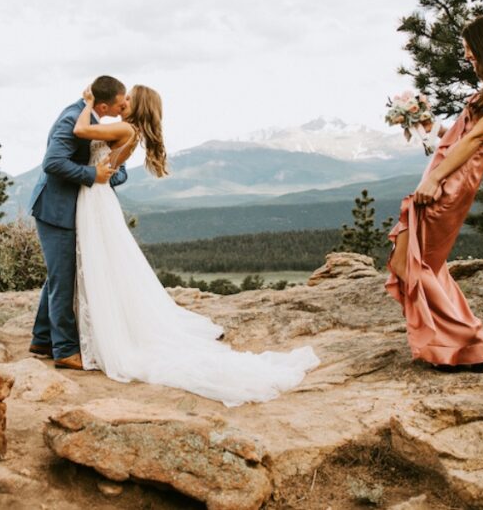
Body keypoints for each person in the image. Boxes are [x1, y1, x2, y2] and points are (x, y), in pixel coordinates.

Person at [70, 84, 319, 406]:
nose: (124, 101)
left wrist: (88, 101)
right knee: (108, 260)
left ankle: (107, 329)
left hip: (94, 195)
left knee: (101, 259)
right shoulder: (131, 131)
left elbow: (80, 129)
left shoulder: (122, 127)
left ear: (139, 105)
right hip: (99, 196)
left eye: (129, 97)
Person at [386, 14, 483, 372]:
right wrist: (424, 122)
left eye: (471, 52)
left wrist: (436, 179)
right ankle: (467, 343)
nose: (469, 59)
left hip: (453, 178)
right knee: (421, 264)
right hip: (443, 171)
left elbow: (480, 138)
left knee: (411, 263)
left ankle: (468, 343)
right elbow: (454, 135)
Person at [28, 76, 129, 370]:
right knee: (63, 279)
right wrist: (91, 175)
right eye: (120, 101)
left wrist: (109, 175)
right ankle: (65, 350)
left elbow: (109, 166)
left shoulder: (95, 120)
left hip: (78, 209)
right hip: (56, 210)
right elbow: (53, 163)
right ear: (102, 105)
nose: (124, 104)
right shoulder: (73, 118)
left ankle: (42, 338)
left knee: (59, 275)